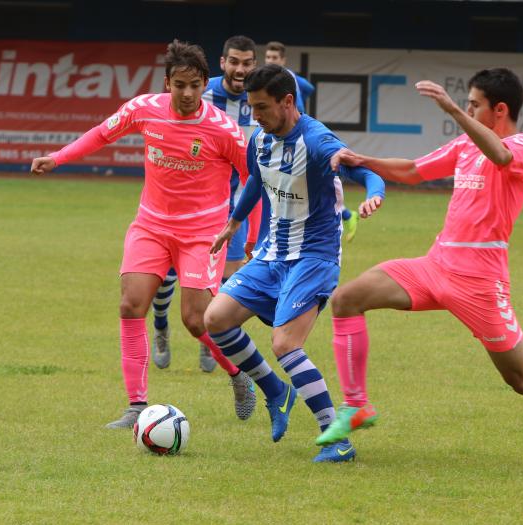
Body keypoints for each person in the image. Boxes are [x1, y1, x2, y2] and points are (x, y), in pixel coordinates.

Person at [315, 68, 523, 465]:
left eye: (474, 105)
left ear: (500, 109)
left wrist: (452, 108)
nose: (467, 110)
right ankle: (356, 406)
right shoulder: (464, 145)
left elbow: (501, 154)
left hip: (480, 282)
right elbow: (412, 170)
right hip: (434, 265)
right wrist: (361, 159)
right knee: (347, 299)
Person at [30, 40, 252, 428]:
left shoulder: (223, 130)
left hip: (203, 233)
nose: (187, 93)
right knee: (131, 304)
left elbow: (253, 180)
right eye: (179, 85)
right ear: (167, 83)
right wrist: (58, 157)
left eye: (195, 85)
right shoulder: (143, 109)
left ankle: (239, 375)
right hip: (151, 225)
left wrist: (248, 236)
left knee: (197, 320)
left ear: (205, 85)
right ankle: (136, 406)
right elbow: (102, 134)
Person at [203, 64, 386, 462]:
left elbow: (364, 169)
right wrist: (234, 223)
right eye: (251, 108)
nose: (256, 116)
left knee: (286, 343)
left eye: (263, 108)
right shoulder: (261, 137)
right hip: (272, 252)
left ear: (288, 102)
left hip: (314, 256)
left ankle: (336, 438)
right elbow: (255, 178)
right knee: (215, 319)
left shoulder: (318, 141)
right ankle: (275, 391)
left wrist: (374, 193)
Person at [150, 35, 261, 373]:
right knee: (166, 278)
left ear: (253, 65)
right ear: (223, 62)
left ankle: (211, 338)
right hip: (189, 203)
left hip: (235, 204)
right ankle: (160, 328)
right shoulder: (199, 90)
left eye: (247, 63)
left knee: (226, 278)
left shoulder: (261, 96)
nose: (240, 69)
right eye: (234, 62)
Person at [265, 40, 358, 242]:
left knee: (306, 189)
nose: (270, 60)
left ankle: (346, 216)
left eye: (275, 57)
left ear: (283, 60)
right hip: (278, 140)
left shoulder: (287, 78)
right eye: (268, 57)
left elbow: (297, 104)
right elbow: (309, 87)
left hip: (295, 141)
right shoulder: (275, 80)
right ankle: (348, 215)